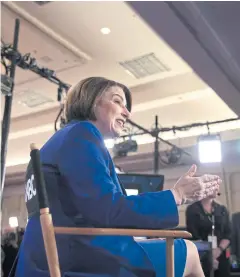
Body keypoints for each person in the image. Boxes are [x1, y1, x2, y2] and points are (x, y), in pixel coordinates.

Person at [15, 77, 221, 277]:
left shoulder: (61, 139)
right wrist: (177, 195)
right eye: (117, 101)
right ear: (91, 101)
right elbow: (107, 209)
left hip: (46, 257)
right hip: (78, 260)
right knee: (190, 252)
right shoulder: (82, 134)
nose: (127, 112)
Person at [186, 196, 231, 277]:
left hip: (221, 253)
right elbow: (193, 236)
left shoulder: (222, 209)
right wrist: (210, 256)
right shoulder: (192, 210)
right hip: (201, 255)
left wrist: (218, 250)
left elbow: (228, 234)